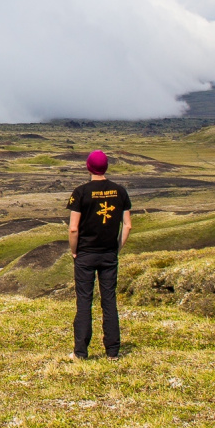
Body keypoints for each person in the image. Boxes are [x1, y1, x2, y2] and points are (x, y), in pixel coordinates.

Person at [67, 149, 132, 359]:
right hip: (108, 254)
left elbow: (73, 229)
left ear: (88, 167)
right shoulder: (120, 191)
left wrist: (74, 251)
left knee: (84, 302)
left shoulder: (80, 192)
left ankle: (81, 352)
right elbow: (127, 226)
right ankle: (112, 351)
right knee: (109, 301)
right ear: (106, 167)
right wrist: (116, 249)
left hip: (85, 254)